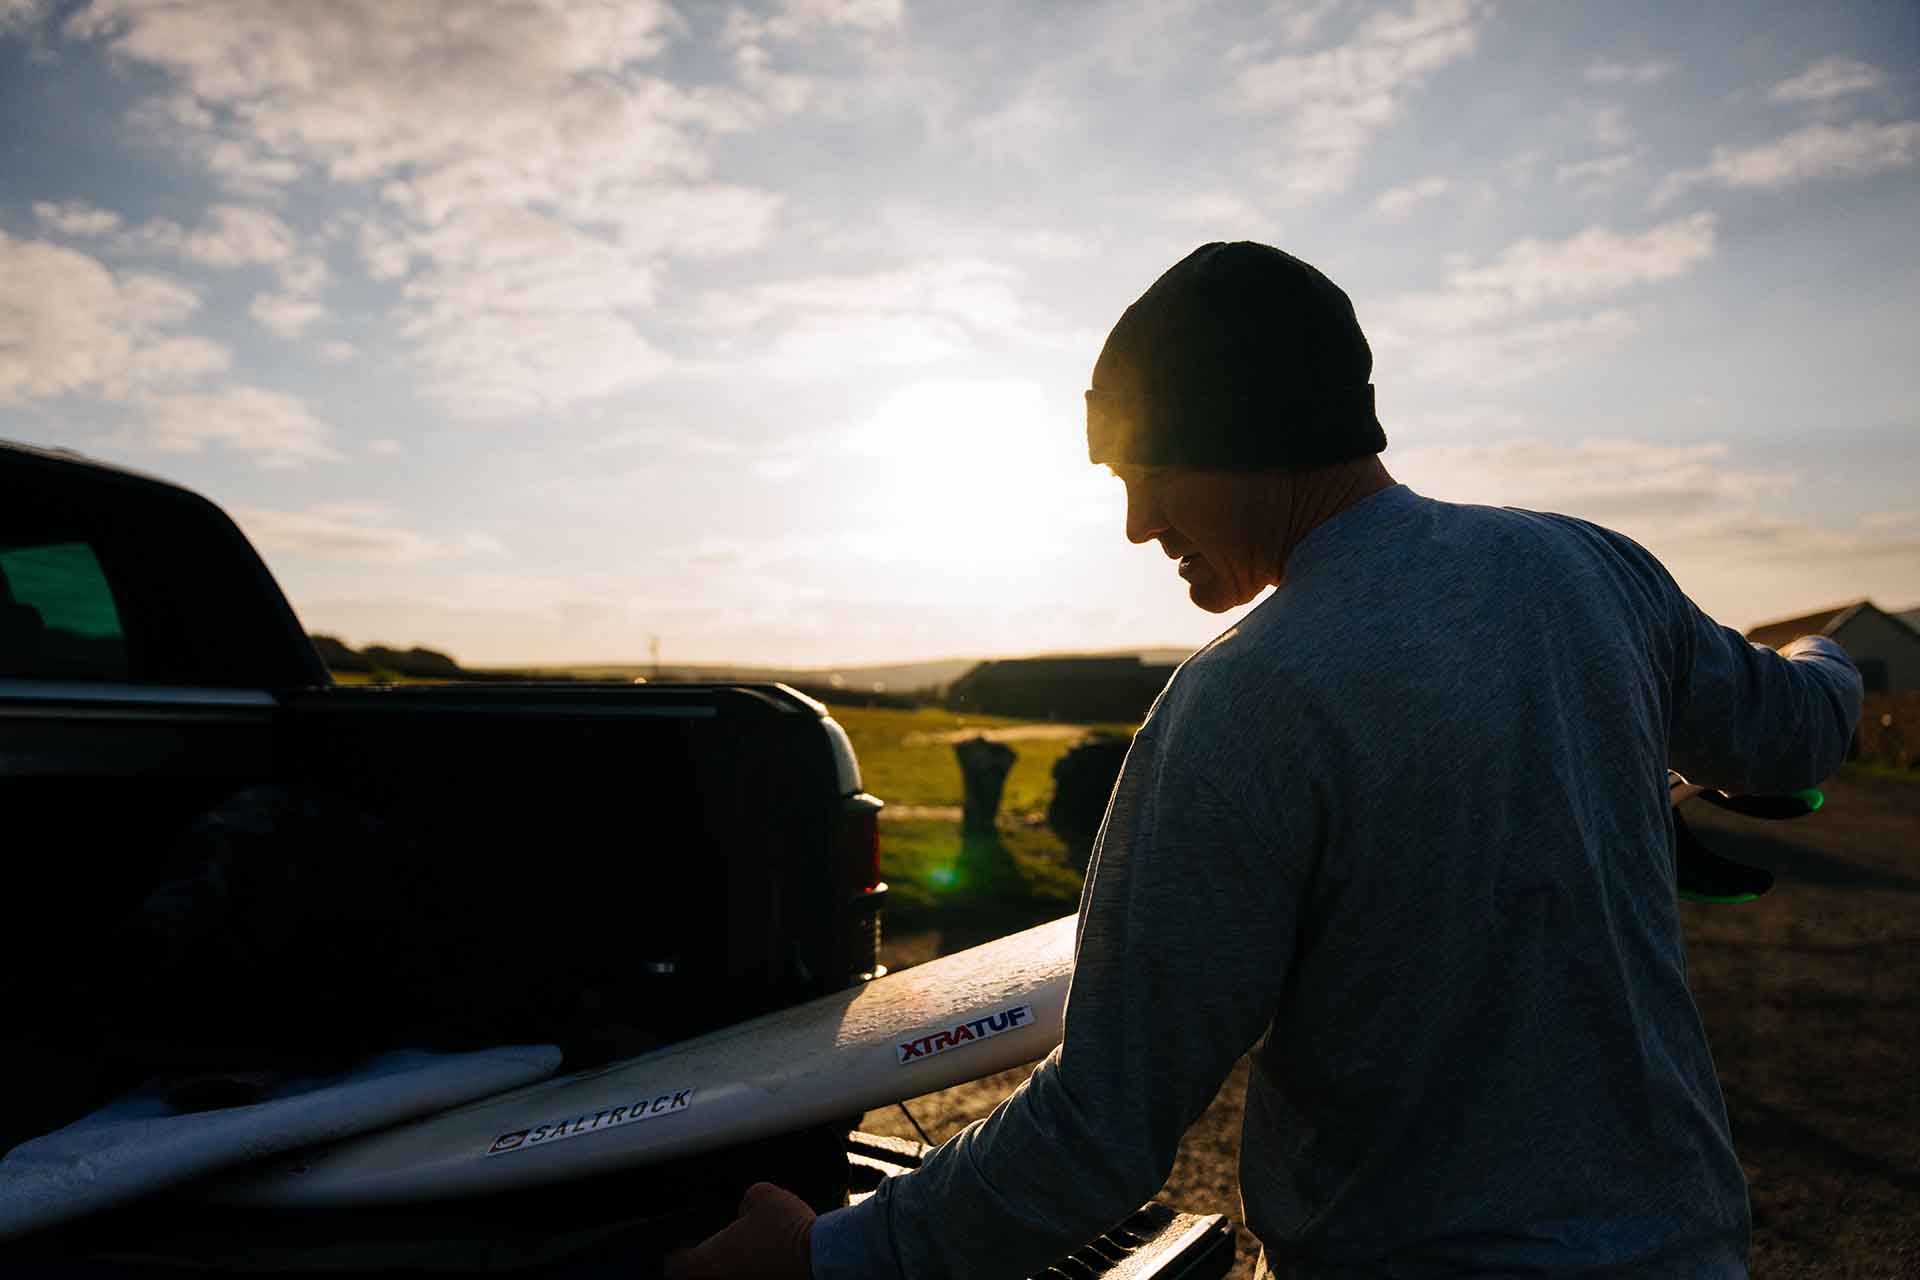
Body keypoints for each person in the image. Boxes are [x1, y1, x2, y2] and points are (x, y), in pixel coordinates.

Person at [667, 242, 1862, 1279]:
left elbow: (1100, 1131)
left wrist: (830, 1253)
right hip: (1683, 1248)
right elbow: (1799, 728)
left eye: (1150, 471)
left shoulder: (1243, 701)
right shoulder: (1593, 572)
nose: (1138, 522)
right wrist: (1826, 653)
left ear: (1250, 431)